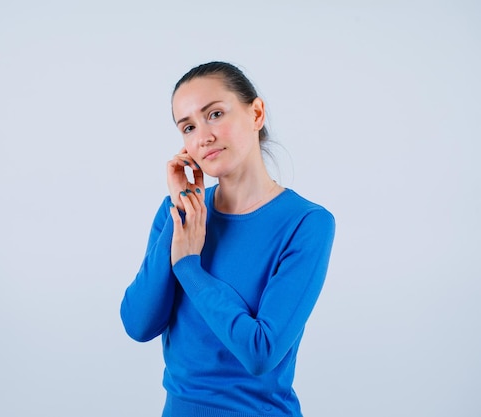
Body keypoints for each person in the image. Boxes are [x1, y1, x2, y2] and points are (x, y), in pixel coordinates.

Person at [120, 61, 335, 417]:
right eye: (188, 126)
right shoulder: (177, 212)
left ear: (257, 113)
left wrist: (189, 267)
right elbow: (139, 324)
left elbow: (261, 351)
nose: (203, 136)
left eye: (215, 114)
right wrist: (181, 213)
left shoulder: (306, 223)